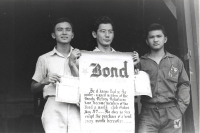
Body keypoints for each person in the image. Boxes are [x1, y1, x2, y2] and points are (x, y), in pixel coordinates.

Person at [137, 23, 190, 133]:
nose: (155, 40)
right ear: (147, 41)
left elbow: (184, 84)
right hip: (148, 113)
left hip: (172, 112)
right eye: (151, 37)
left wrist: (181, 107)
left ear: (165, 39)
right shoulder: (141, 62)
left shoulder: (175, 61)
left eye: (159, 36)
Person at [31, 17, 81, 133]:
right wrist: (44, 81)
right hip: (54, 104)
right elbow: (33, 88)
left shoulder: (82, 57)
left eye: (68, 30)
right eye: (60, 29)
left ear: (72, 35)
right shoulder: (44, 58)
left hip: (77, 105)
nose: (64, 33)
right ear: (53, 35)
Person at [69, 16, 140, 76]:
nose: (107, 35)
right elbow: (81, 81)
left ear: (113, 34)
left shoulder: (122, 58)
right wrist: (72, 64)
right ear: (94, 34)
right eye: (103, 31)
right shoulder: (85, 59)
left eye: (110, 32)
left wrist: (133, 66)